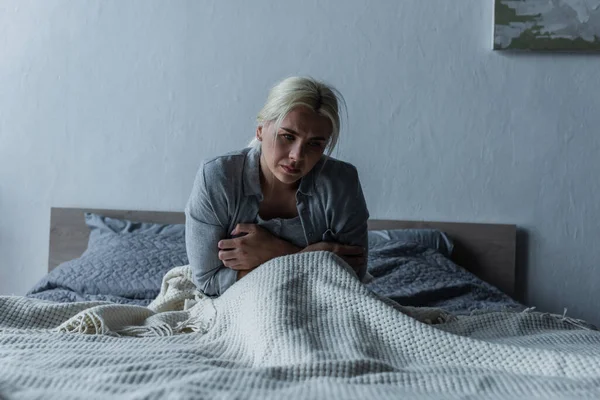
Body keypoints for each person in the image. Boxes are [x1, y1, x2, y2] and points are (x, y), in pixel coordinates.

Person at [185, 76, 370, 296]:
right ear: (261, 130)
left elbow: (352, 276)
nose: (297, 156)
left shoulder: (341, 182)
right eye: (287, 136)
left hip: (320, 308)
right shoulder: (218, 178)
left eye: (315, 144)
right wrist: (316, 257)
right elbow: (208, 281)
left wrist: (275, 251)